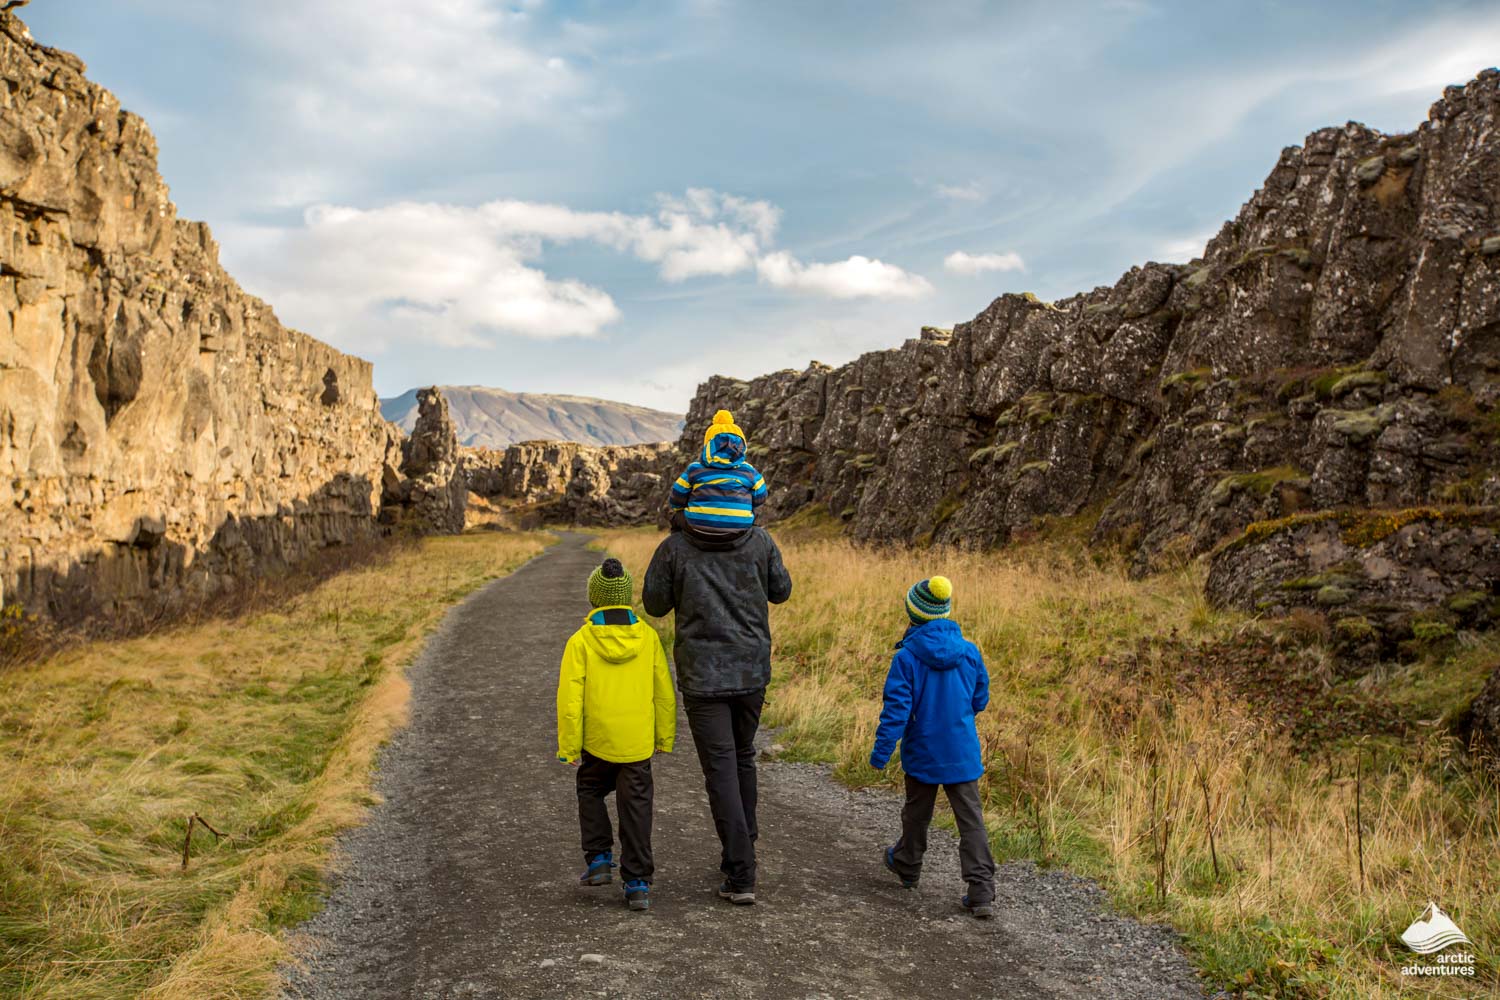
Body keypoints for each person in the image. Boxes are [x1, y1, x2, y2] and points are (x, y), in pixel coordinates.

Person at [642, 514, 792, 905]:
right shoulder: (760, 540)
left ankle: (741, 871)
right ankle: (745, 843)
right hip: (752, 669)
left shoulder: (675, 547)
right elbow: (781, 590)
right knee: (743, 756)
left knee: (721, 767)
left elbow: (654, 604)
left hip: (702, 675)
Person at [869, 575, 997, 919]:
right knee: (971, 820)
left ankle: (908, 864)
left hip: (923, 751)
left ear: (913, 614)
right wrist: (960, 715)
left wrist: (881, 753)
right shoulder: (970, 652)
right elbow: (980, 698)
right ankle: (980, 889)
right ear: (944, 612)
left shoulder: (907, 658)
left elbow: (896, 711)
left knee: (916, 813)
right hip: (961, 751)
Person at [556, 557, 676, 912]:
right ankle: (637, 883)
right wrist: (663, 736)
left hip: (597, 741)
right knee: (636, 806)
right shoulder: (649, 637)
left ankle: (598, 859)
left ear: (595, 598)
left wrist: (569, 745)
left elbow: (569, 699)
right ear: (627, 598)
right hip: (637, 742)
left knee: (590, 788)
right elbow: (663, 692)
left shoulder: (580, 641)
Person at [668, 409, 768, 541]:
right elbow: (761, 496)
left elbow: (676, 497)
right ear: (741, 445)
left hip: (697, 528)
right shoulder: (749, 471)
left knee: (676, 517)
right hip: (739, 529)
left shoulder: (694, 469)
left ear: (708, 445)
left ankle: (676, 547)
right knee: (753, 514)